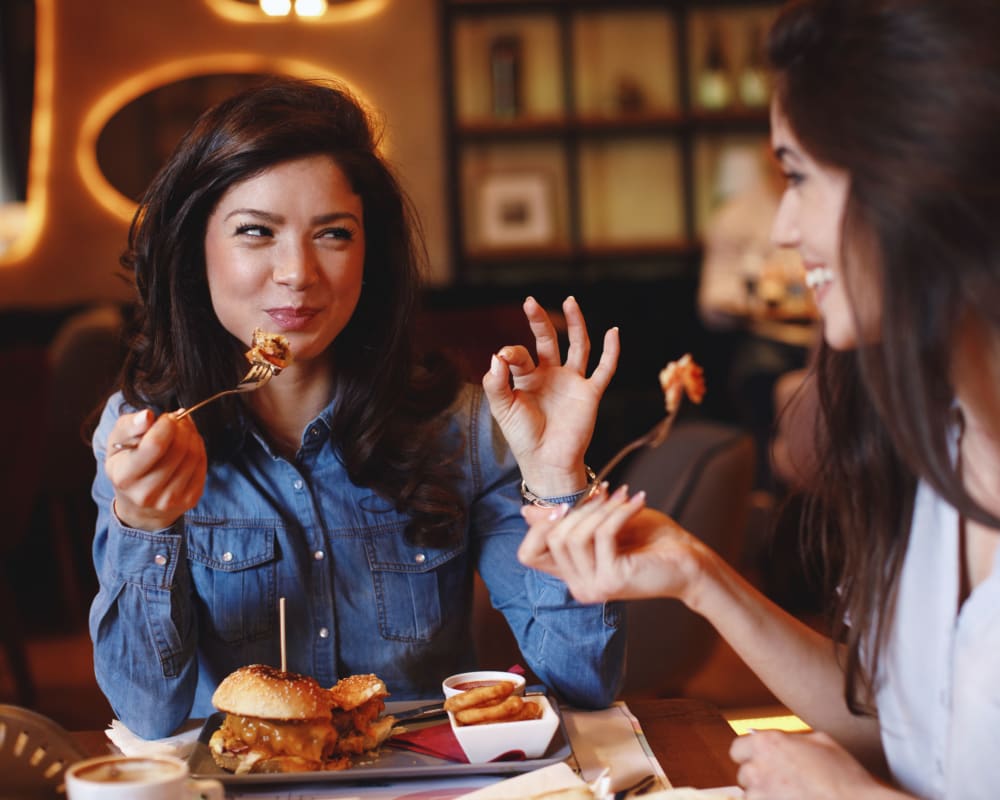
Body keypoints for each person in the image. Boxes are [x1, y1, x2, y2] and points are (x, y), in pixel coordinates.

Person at [509, 1, 1000, 798]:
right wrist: (699, 575)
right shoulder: (934, 448)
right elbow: (910, 734)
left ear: (916, 182)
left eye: (798, 176)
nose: (781, 227)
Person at [89, 76, 624, 739]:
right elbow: (145, 713)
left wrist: (556, 478)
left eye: (333, 235)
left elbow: (583, 682)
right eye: (256, 232)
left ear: (371, 256)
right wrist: (143, 521)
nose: (298, 272)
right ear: (196, 251)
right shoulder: (143, 435)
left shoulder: (460, 427)